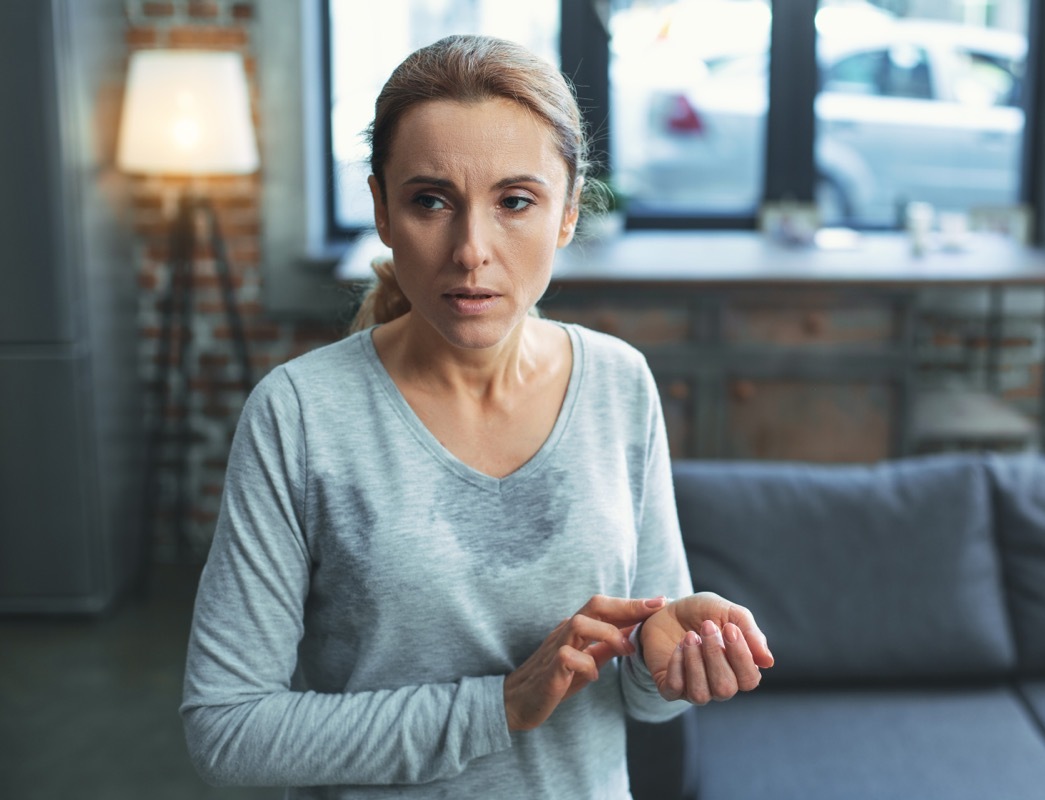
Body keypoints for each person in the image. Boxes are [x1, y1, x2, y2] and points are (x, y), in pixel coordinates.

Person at [181, 34, 773, 799]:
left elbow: (642, 702)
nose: (471, 251)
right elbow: (226, 730)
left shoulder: (618, 383)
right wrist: (496, 708)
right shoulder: (298, 415)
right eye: (431, 200)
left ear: (567, 213)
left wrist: (668, 664)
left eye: (515, 202)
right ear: (382, 211)